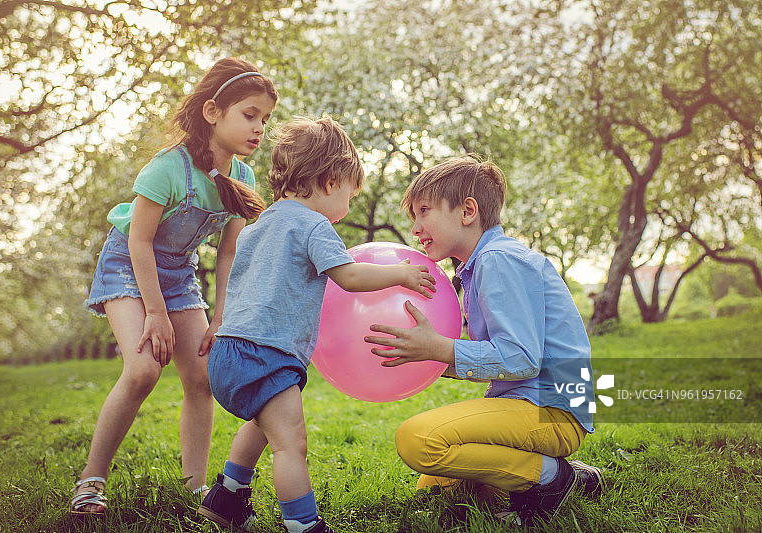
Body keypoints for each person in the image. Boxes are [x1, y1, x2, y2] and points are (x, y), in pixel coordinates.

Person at [197, 117, 437, 533]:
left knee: (260, 423)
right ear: (330, 181)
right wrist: (400, 275)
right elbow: (351, 277)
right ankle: (302, 524)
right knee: (291, 443)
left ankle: (226, 498)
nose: (346, 207)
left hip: (228, 353)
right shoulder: (313, 225)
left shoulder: (259, 227)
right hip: (267, 354)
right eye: (348, 192)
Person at [71, 58, 278, 516]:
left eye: (265, 118)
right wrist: (156, 313)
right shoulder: (167, 168)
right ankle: (90, 482)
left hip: (180, 275)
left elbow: (228, 253)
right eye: (249, 114)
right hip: (129, 265)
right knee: (143, 370)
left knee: (201, 377)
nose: (259, 127)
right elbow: (139, 243)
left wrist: (220, 315)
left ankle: (194, 487)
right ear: (212, 113)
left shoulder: (242, 179)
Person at [364, 156, 605, 526]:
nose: (415, 228)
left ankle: (554, 479)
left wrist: (438, 349)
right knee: (437, 488)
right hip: (528, 405)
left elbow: (521, 359)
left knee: (417, 440)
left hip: (551, 410)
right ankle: (572, 476)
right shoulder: (477, 268)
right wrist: (420, 355)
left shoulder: (498, 260)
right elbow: (493, 358)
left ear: (468, 211)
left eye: (423, 211)